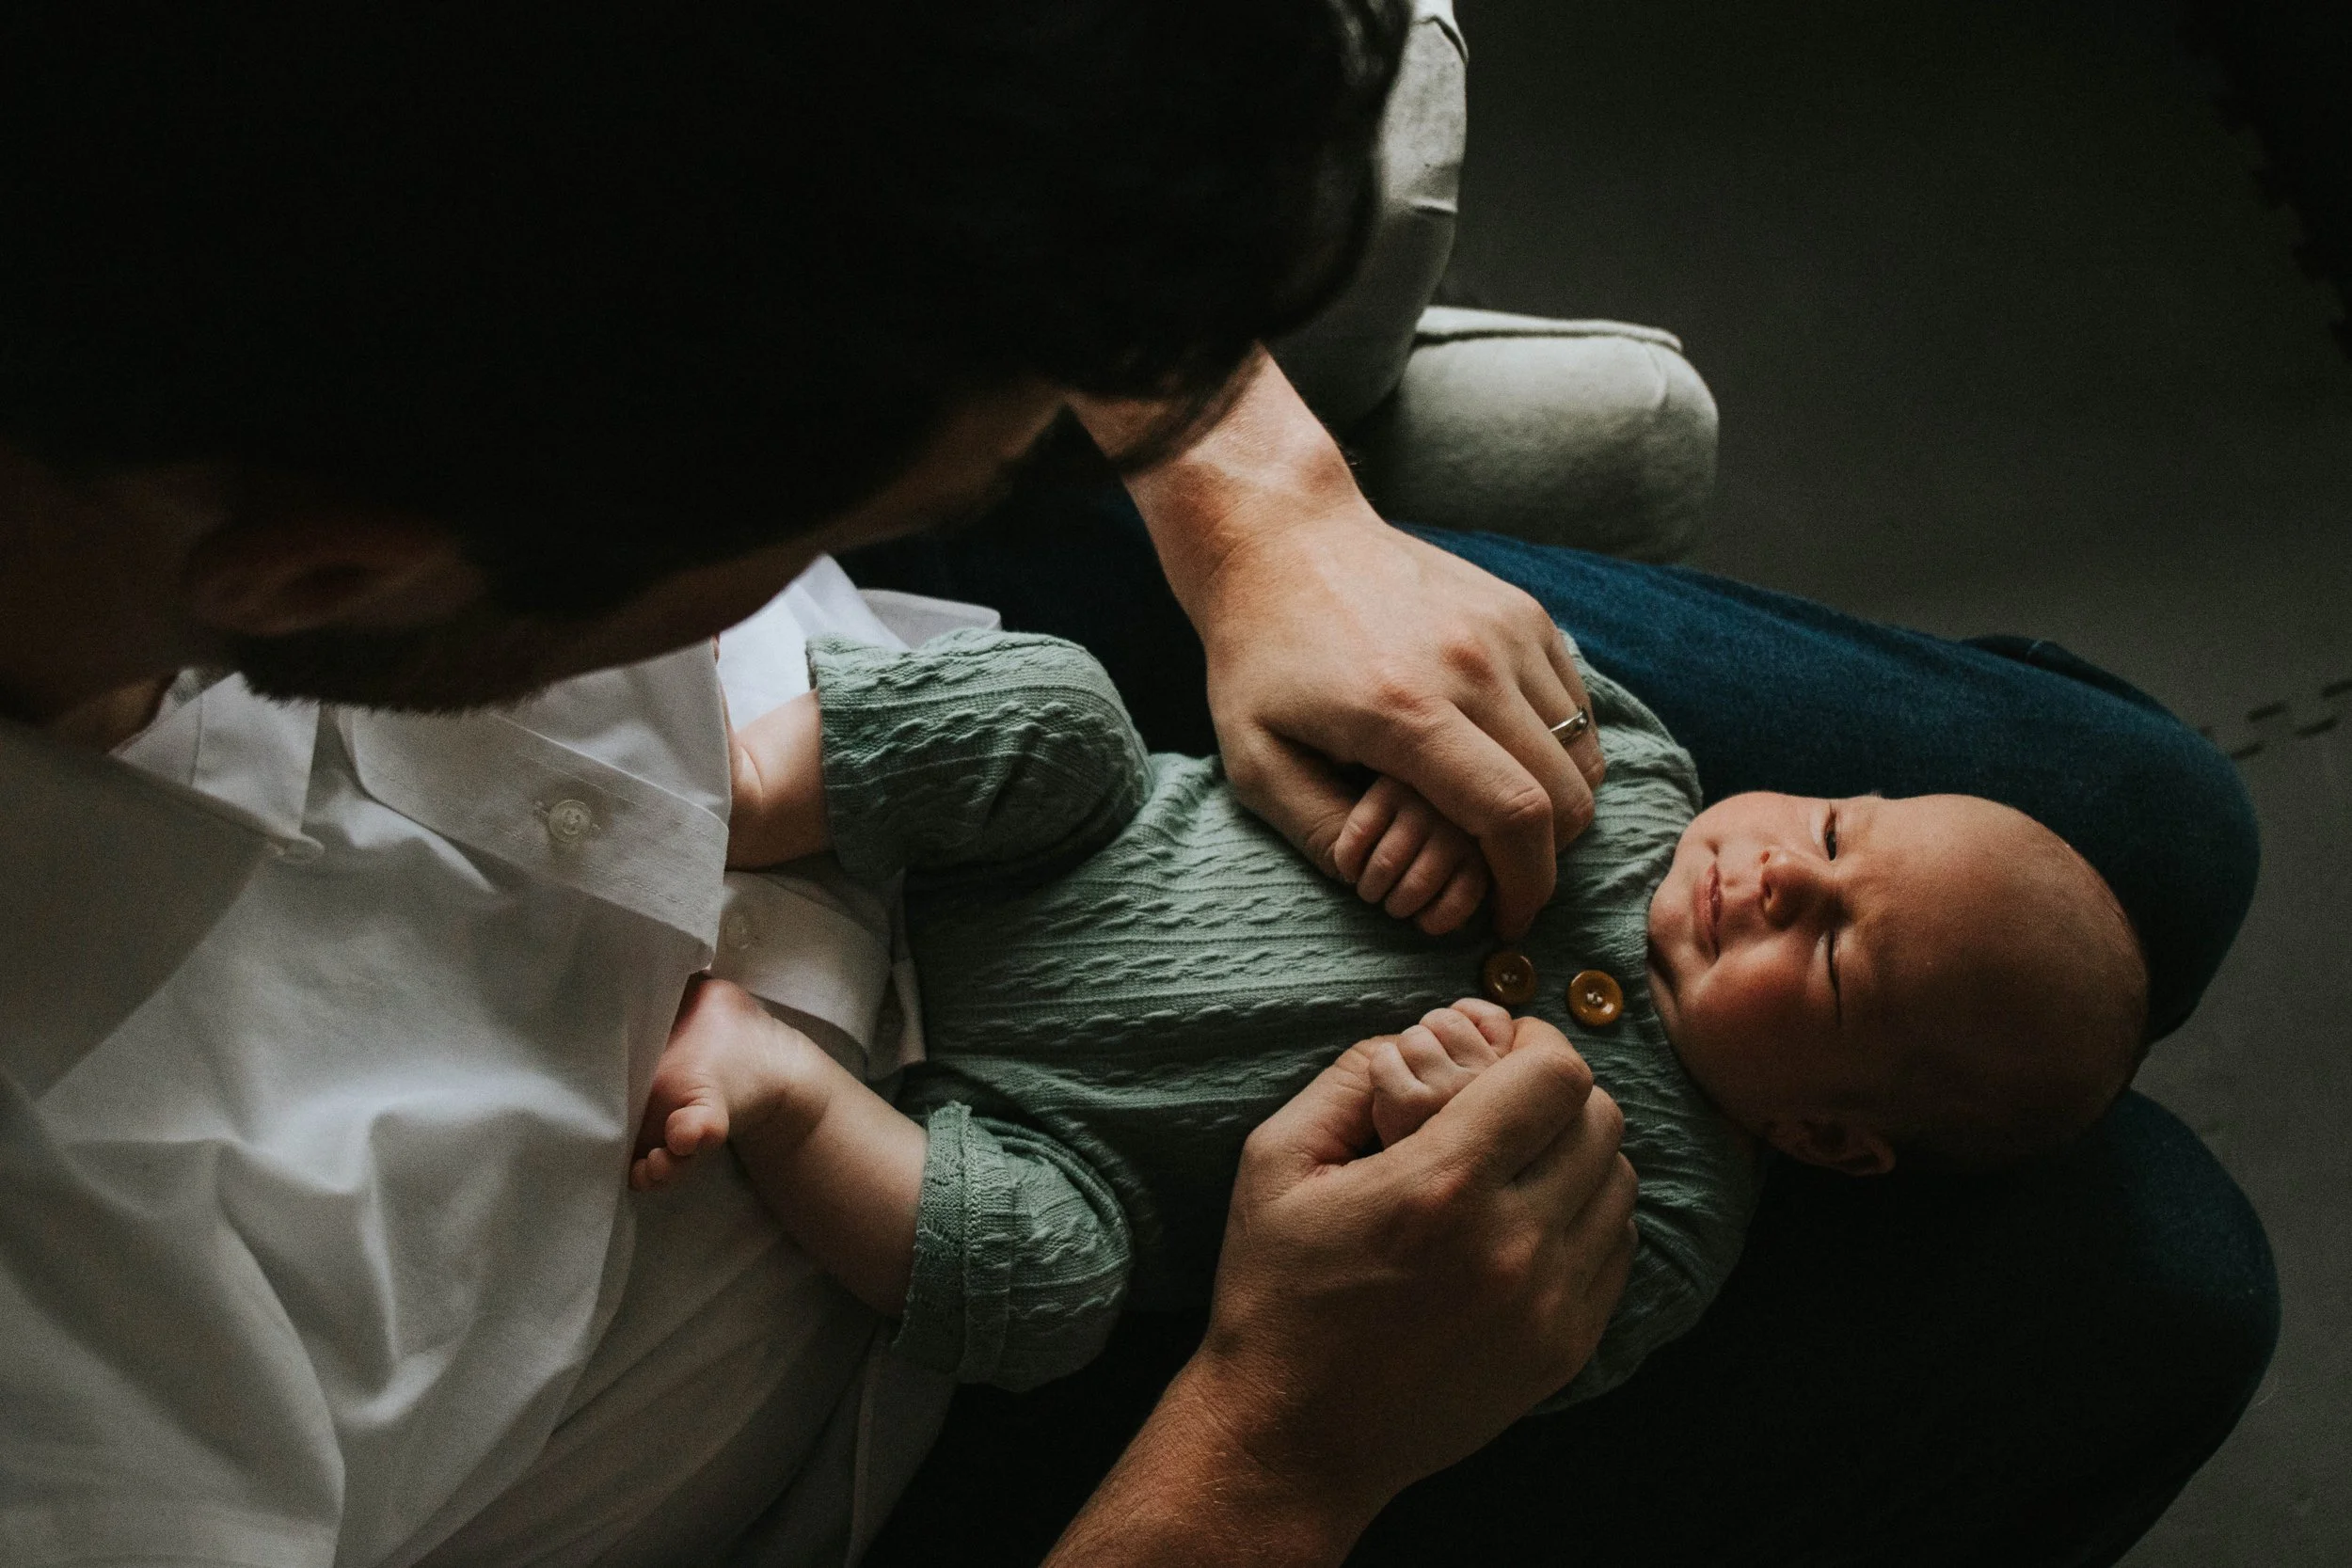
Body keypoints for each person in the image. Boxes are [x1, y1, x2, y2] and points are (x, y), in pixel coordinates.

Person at [0, 7, 1640, 1566]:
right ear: (322, 577)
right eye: (925, 491)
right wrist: (1281, 1449)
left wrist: (1254, 502)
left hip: (1033, 746)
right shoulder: (73, 1366)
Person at [632, 626, 2147, 1412]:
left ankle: (777, 1088)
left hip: (1075, 1157)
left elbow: (1473, 1327)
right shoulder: (1627, 768)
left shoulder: (1662, 1218)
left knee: (1049, 1301)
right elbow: (1410, 692)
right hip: (1057, 853)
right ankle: (731, 796)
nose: (1776, 882)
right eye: (1828, 830)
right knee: (1057, 707)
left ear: (1824, 1131)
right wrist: (1414, 786)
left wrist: (1426, 1146)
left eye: (1828, 960)